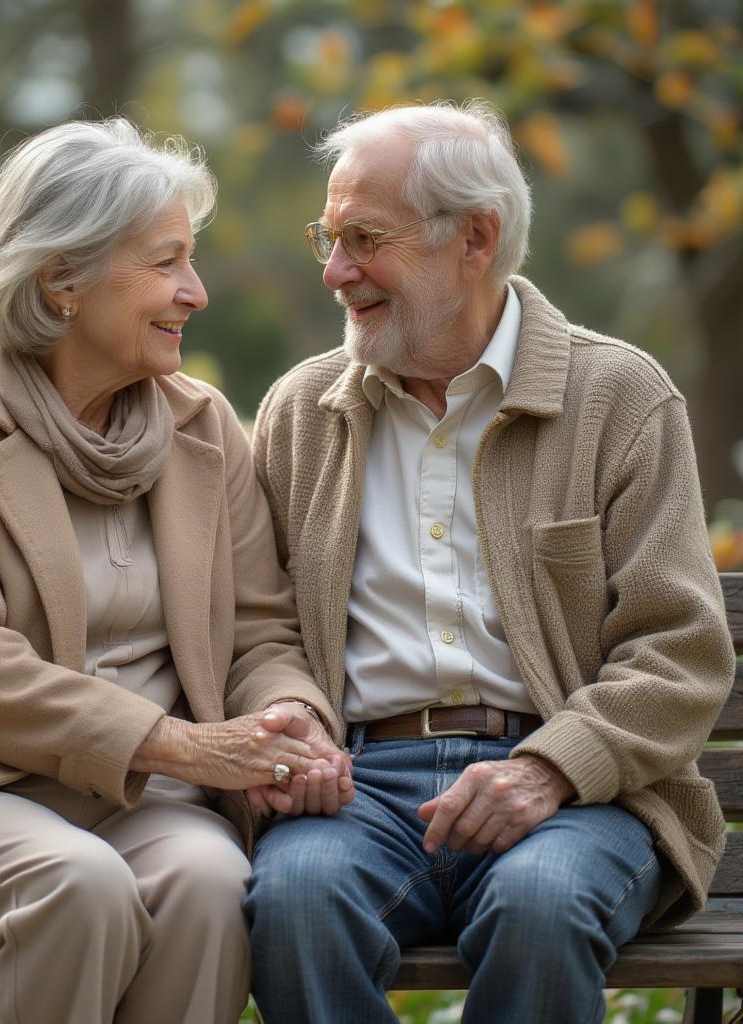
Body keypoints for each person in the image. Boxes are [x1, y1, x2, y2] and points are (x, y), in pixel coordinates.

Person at [0, 118, 352, 1024]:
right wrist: (184, 747)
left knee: (215, 880)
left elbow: (261, 628)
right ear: (61, 277)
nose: (197, 291)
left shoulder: (203, 427)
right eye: (168, 262)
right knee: (77, 887)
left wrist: (287, 716)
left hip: (142, 804)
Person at [244, 99, 735, 1024]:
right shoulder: (301, 411)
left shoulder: (620, 397)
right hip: (361, 790)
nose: (333, 271)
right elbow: (257, 621)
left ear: (475, 237)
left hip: (582, 789)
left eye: (364, 238)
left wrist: (549, 768)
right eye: (328, 235)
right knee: (297, 903)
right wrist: (291, 712)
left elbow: (680, 652)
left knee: (542, 905)